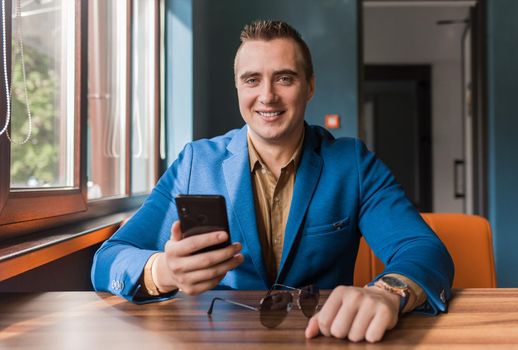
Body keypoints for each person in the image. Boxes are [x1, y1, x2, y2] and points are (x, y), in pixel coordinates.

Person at [92, 20, 454, 343]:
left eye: (285, 78)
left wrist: (387, 292)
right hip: (217, 339)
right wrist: (164, 271)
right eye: (252, 80)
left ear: (309, 87)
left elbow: (423, 249)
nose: (267, 96)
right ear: (238, 87)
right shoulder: (195, 162)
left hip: (322, 336)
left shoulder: (352, 164)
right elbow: (108, 260)